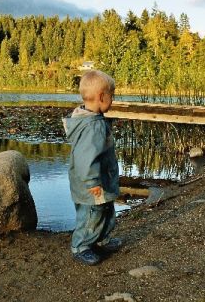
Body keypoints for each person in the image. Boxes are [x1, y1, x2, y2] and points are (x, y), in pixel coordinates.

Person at [62, 69, 122, 265]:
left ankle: (100, 240)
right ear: (102, 97)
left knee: (104, 210)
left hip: (95, 180)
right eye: (112, 96)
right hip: (91, 183)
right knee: (90, 214)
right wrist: (92, 181)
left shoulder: (88, 120)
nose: (113, 100)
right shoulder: (91, 126)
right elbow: (85, 158)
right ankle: (81, 246)